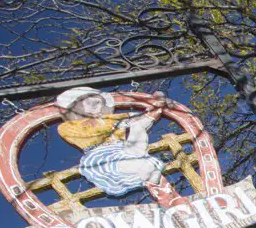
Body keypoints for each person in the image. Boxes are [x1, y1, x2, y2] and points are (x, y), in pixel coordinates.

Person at [55, 87, 189, 208]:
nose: (95, 106)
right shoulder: (69, 126)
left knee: (139, 131)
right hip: (102, 155)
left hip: (124, 149)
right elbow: (89, 137)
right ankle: (170, 203)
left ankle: (172, 203)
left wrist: (159, 105)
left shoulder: (112, 119)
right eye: (89, 103)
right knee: (147, 168)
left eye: (98, 102)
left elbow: (140, 119)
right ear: (78, 105)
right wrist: (117, 126)